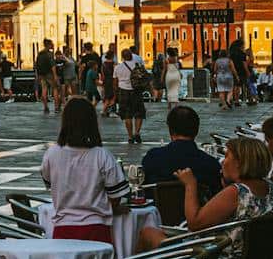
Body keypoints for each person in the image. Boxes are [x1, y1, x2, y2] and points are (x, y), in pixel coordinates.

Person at [137, 137, 273, 259]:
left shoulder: (236, 193)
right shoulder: (271, 189)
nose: (222, 161)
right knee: (162, 238)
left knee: (148, 234)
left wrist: (190, 185)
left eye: (227, 157)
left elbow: (194, 223)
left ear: (239, 163)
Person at [40, 97, 129, 244]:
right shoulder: (102, 155)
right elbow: (116, 195)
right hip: (96, 228)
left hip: (63, 228)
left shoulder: (51, 154)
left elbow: (50, 184)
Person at [140, 104, 224, 215]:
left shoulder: (152, 157)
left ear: (170, 130)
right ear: (196, 130)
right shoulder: (210, 164)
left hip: (158, 218)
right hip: (199, 220)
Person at [113, 48, 148, 144]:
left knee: (127, 115)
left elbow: (115, 83)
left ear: (122, 56)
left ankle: (130, 136)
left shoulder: (117, 67)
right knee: (139, 113)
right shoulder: (138, 66)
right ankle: (137, 132)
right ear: (131, 56)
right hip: (136, 91)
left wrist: (115, 95)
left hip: (123, 91)